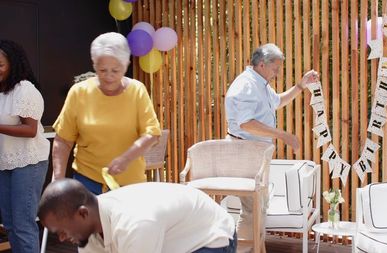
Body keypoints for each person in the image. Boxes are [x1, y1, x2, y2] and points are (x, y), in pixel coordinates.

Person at [225, 43, 319, 242]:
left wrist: (301, 85)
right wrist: (283, 135)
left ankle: (257, 247)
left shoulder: (260, 84)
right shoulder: (247, 85)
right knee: (252, 208)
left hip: (256, 153)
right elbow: (246, 124)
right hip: (245, 152)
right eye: (275, 69)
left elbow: (278, 101)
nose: (277, 73)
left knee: (260, 207)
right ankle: (243, 250)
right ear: (261, 64)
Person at [52, 32, 162, 194]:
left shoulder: (137, 91)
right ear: (94, 65)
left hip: (130, 185)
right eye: (103, 70)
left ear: (126, 65)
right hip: (87, 181)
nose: (109, 77)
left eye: (115, 70)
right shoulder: (79, 92)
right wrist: (58, 180)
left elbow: (152, 134)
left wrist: (126, 158)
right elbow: (63, 140)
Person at [38, 179, 237, 253]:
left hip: (211, 237)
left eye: (61, 231)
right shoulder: (87, 232)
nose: (62, 239)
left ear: (82, 213)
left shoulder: (136, 224)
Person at [0, 40, 50, 252]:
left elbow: (30, 130)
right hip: (5, 162)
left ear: (13, 63)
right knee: (10, 225)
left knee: (23, 225)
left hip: (28, 162)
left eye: (0, 64)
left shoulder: (24, 89)